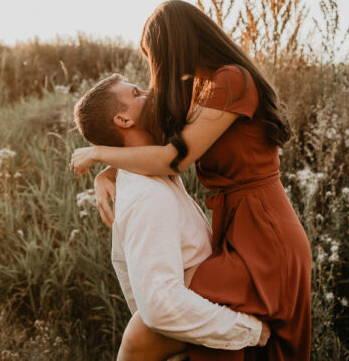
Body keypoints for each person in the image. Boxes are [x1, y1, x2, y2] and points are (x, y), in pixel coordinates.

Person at [70, 0, 312, 361]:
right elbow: (156, 142)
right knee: (183, 326)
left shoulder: (232, 81)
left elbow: (171, 158)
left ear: (174, 46)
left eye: (155, 57)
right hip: (238, 228)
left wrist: (100, 154)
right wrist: (111, 172)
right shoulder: (203, 90)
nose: (155, 73)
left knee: (151, 326)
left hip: (265, 232)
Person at [72, 72, 270, 360]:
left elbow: (160, 157)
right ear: (123, 121)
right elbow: (159, 306)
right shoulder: (148, 196)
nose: (150, 93)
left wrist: (106, 164)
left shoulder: (148, 175)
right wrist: (250, 331)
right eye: (137, 93)